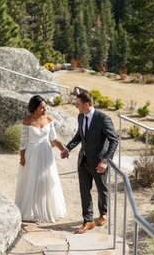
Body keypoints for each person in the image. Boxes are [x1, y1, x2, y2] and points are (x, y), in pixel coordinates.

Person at [61, 91, 118, 234]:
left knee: (102, 189)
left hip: (99, 162)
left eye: (78, 104)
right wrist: (68, 148)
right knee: (84, 191)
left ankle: (103, 213)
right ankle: (88, 220)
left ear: (87, 104)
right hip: (83, 161)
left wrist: (105, 160)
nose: (76, 107)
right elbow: (79, 136)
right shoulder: (81, 116)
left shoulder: (103, 119)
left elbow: (114, 141)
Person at [15, 95, 66, 222]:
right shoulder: (27, 121)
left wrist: (63, 150)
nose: (45, 109)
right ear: (35, 108)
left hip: (46, 152)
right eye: (42, 107)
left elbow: (54, 138)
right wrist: (22, 157)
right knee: (33, 179)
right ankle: (33, 212)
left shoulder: (49, 118)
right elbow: (23, 141)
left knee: (46, 179)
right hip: (32, 153)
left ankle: (48, 209)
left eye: (45, 107)